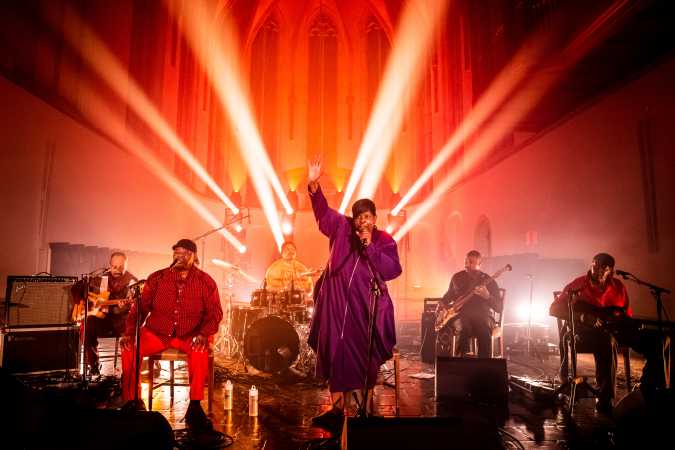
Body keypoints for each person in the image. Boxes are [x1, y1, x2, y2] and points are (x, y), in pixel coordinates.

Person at [306, 156, 402, 430]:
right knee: (335, 352)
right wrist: (314, 185)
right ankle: (336, 411)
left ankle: (364, 410)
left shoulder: (384, 240)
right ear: (353, 218)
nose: (363, 222)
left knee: (364, 356)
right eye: (359, 216)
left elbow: (392, 270)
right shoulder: (341, 227)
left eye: (368, 217)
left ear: (374, 219)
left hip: (366, 307)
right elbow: (323, 213)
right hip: (336, 303)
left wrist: (370, 246)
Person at [119, 239, 222, 430]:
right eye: (176, 253)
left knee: (200, 350)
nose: (179, 257)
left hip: (189, 334)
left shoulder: (206, 282)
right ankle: (133, 400)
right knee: (129, 347)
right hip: (157, 332)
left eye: (185, 254)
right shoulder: (157, 278)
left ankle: (195, 406)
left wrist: (203, 334)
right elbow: (139, 309)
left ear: (194, 257)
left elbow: (215, 314)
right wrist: (129, 333)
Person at [549, 252, 631, 413]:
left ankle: (653, 389)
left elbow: (625, 313)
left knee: (658, 340)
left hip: (611, 332)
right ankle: (605, 398)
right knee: (606, 341)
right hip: (583, 333)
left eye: (603, 269)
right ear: (591, 265)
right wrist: (583, 316)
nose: (598, 271)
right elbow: (554, 308)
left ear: (610, 271)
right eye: (595, 267)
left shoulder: (619, 287)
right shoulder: (579, 284)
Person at [71, 252, 137, 376]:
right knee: (86, 326)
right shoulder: (101, 277)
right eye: (114, 266)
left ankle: (129, 373)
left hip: (121, 322)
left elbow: (136, 307)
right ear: (110, 265)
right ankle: (93, 364)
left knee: (132, 330)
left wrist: (126, 306)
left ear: (126, 265)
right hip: (103, 320)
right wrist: (80, 302)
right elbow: (77, 288)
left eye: (121, 266)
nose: (117, 269)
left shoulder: (132, 282)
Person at [440, 250, 502, 358]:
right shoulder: (457, 278)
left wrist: (487, 296)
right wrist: (442, 309)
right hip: (461, 316)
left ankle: (483, 367)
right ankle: (461, 366)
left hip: (483, 316)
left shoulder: (489, 280)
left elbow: (499, 307)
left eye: (472, 262)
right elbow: (446, 298)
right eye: (466, 261)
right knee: (464, 329)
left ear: (480, 264)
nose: (467, 264)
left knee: (483, 331)